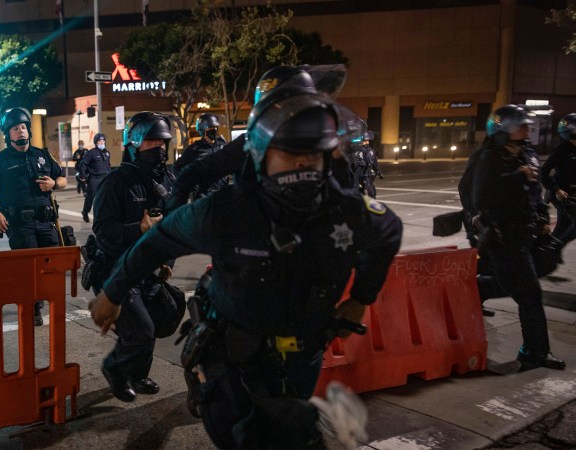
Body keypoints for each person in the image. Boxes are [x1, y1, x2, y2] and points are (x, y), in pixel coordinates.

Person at [90, 92, 402, 448]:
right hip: (237, 348)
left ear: (328, 155)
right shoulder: (227, 211)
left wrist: (361, 297)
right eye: (288, 152)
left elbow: (388, 232)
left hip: (305, 345)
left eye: (310, 153)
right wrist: (113, 292)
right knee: (241, 434)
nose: (300, 164)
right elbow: (159, 239)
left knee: (290, 422)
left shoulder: (348, 210)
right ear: (262, 155)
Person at [168, 65, 353, 211]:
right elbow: (191, 175)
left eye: (302, 106)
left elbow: (347, 195)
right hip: (259, 237)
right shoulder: (250, 143)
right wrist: (175, 219)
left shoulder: (322, 143)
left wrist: (337, 157)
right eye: (285, 108)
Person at [89, 112, 176, 402]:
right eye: (151, 141)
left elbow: (172, 226)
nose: (159, 148)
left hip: (149, 269)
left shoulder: (168, 181)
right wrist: (137, 228)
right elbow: (103, 231)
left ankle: (138, 375)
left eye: (163, 141)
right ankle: (115, 368)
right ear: (134, 143)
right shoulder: (117, 182)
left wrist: (166, 261)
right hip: (116, 270)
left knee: (156, 322)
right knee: (141, 331)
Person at [472, 104, 565, 371]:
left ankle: (479, 287)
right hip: (504, 238)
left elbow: (534, 191)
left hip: (528, 234)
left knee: (519, 283)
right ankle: (534, 352)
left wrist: (544, 218)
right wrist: (516, 176)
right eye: (521, 126)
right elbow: (482, 197)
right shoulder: (488, 158)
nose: (527, 130)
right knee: (531, 295)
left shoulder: (527, 153)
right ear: (504, 129)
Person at [0, 107, 67, 326]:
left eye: (24, 127)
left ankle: (45, 299)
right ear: (8, 134)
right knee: (27, 270)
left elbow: (62, 178)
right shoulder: (0, 161)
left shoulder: (41, 155)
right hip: (21, 225)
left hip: (46, 222)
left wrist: (55, 184)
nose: (21, 131)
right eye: (16, 129)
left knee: (52, 266)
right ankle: (32, 307)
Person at [172, 113, 228, 203]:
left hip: (222, 195)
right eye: (211, 127)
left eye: (215, 127)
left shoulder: (223, 145)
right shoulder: (194, 149)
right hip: (203, 197)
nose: (214, 129)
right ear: (203, 129)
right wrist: (190, 183)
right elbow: (176, 168)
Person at [541, 113, 576, 248]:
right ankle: (553, 248)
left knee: (563, 226)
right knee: (564, 226)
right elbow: (543, 174)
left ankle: (551, 248)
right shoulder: (560, 150)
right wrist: (556, 189)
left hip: (573, 194)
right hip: (563, 195)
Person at [79, 132, 111, 223]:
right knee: (90, 197)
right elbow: (83, 165)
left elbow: (108, 165)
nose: (102, 143)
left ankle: (104, 216)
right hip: (94, 179)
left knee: (106, 198)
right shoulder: (92, 153)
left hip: (105, 178)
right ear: (96, 142)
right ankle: (85, 212)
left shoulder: (107, 153)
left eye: (103, 141)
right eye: (100, 141)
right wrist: (83, 177)